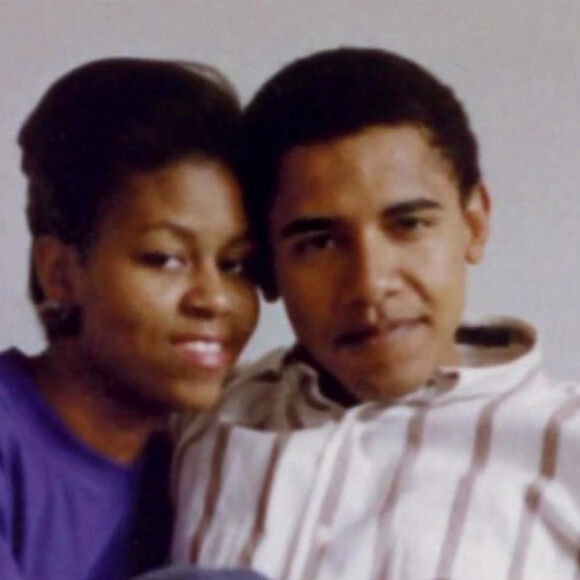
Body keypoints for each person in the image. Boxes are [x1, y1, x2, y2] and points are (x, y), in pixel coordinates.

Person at [172, 48, 580, 579]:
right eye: (319, 243)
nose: (369, 284)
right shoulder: (200, 421)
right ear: (267, 267)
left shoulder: (565, 443)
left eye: (408, 225)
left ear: (475, 223)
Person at [0, 57, 264, 580]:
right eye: (165, 258)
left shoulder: (197, 468)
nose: (215, 299)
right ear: (60, 272)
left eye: (235, 264)